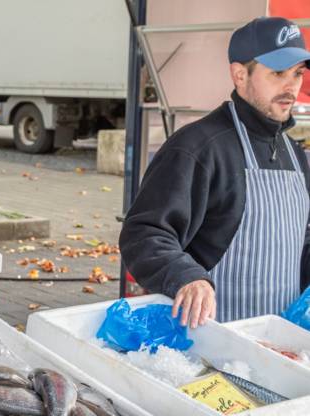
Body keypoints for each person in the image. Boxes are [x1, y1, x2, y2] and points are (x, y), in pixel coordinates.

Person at [120, 16, 310, 327]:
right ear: (239, 74)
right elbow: (144, 233)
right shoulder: (197, 148)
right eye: (277, 73)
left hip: (279, 345)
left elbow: (302, 241)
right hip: (213, 345)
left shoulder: (295, 153)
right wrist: (186, 277)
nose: (291, 87)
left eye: (298, 74)